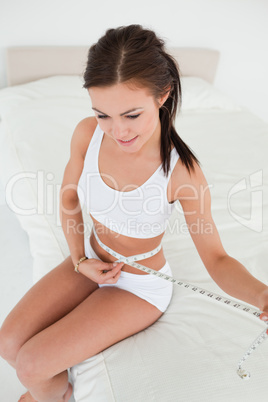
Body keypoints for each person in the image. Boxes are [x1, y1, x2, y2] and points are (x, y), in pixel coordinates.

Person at [0, 24, 268, 402]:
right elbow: (70, 199)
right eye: (103, 114)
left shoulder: (181, 173)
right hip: (92, 258)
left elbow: (218, 258)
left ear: (163, 94)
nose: (117, 131)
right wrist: (79, 259)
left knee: (30, 366)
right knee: (8, 344)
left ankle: (55, 397)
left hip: (139, 285)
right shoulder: (87, 134)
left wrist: (263, 295)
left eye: (130, 114)